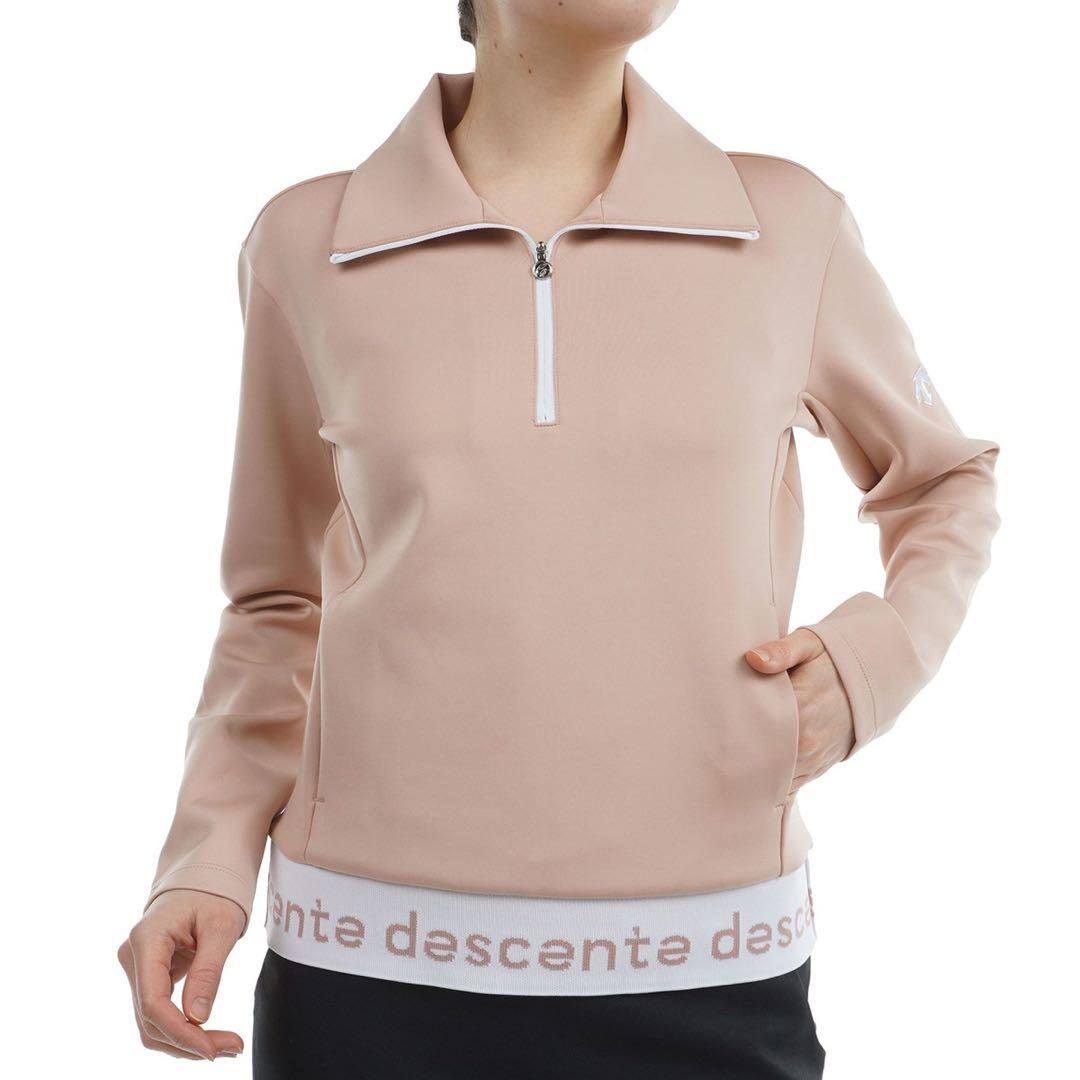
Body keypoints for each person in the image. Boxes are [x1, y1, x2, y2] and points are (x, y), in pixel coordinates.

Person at [117, 1, 1000, 1076]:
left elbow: (944, 480)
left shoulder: (788, 227)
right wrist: (206, 858)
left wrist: (872, 666)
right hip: (367, 974)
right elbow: (275, 600)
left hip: (706, 971)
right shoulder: (309, 242)